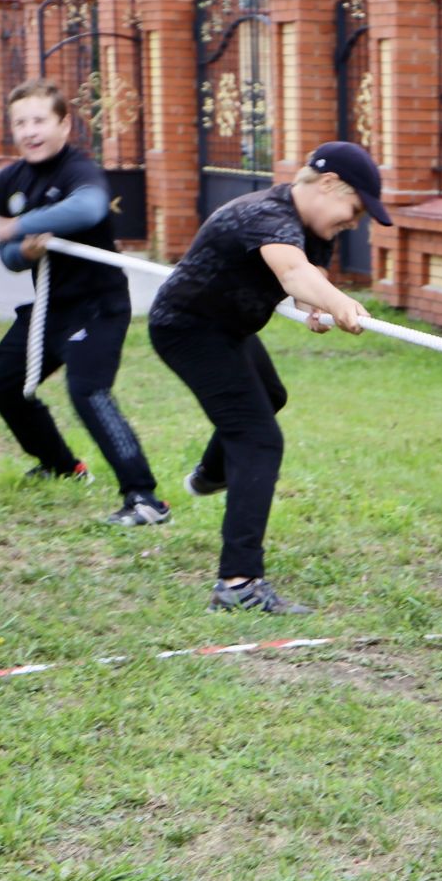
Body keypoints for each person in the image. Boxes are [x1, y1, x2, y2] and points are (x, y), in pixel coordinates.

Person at [146, 143, 385, 615]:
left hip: (227, 328)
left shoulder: (314, 226)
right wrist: (337, 301)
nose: (354, 221)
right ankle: (239, 583)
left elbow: (304, 275)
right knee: (257, 439)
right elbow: (292, 270)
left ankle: (211, 474)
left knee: (269, 396)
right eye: (354, 208)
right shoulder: (264, 213)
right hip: (187, 328)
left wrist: (316, 304)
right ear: (329, 184)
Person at [0, 80, 167, 525]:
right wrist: (24, 248)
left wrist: (14, 225)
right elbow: (10, 259)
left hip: (98, 305)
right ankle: (62, 466)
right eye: (20, 122)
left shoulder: (80, 170)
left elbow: (89, 209)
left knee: (87, 389)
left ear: (63, 124)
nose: (30, 131)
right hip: (50, 307)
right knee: (3, 386)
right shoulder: (10, 179)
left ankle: (144, 498)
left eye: (39, 120)